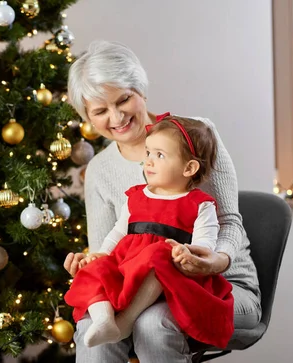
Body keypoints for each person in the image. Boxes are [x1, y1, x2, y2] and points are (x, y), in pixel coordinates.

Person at [63, 40, 261, 363]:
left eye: (124, 99)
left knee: (152, 323)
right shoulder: (99, 170)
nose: (116, 116)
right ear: (88, 116)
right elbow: (106, 252)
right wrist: (89, 262)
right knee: (92, 324)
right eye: (100, 111)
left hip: (224, 287)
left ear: (140, 90)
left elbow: (229, 223)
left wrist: (215, 261)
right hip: (142, 290)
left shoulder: (197, 136)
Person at [64, 114, 235, 349]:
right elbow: (117, 232)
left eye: (160, 155)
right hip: (128, 270)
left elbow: (205, 244)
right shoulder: (136, 196)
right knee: (97, 267)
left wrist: (191, 255)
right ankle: (104, 320)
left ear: (189, 167)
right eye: (148, 153)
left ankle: (125, 321)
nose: (149, 162)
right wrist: (101, 255)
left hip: (168, 276)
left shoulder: (199, 204)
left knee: (160, 252)